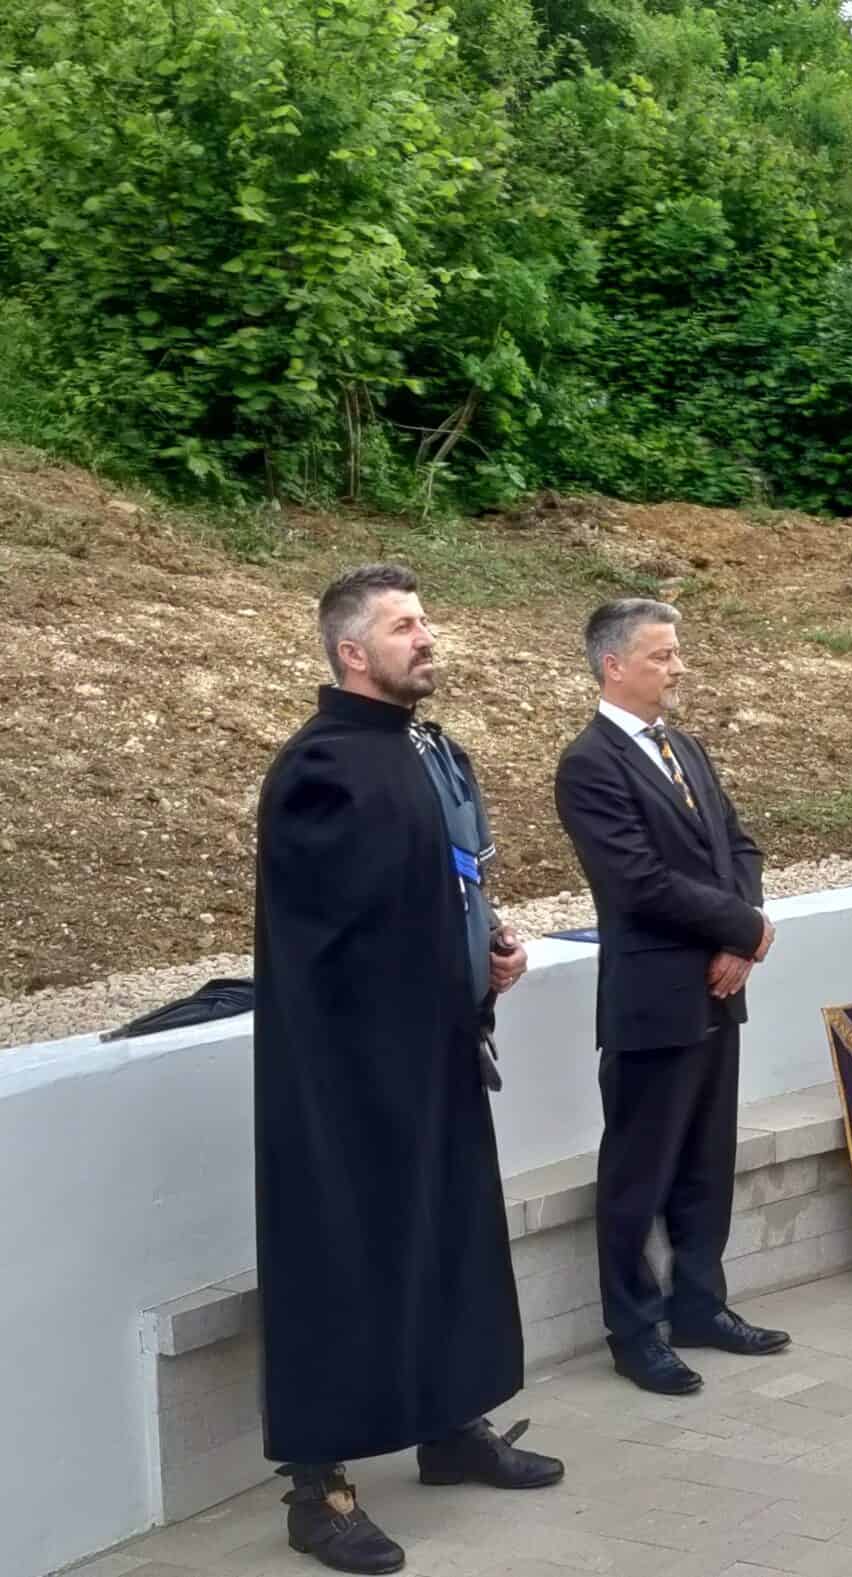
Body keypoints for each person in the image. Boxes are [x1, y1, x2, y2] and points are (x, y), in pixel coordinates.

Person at [254, 564, 562, 1575]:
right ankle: (319, 1489)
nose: (427, 637)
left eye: (426, 619)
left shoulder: (429, 748)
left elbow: (453, 880)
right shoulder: (320, 768)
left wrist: (492, 951)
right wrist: (440, 961)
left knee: (452, 1238)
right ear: (352, 651)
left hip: (435, 1050)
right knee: (339, 1258)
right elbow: (331, 932)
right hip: (347, 1078)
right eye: (404, 625)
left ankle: (449, 1427)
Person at [554, 598, 789, 1397]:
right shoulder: (589, 763)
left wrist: (740, 934)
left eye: (677, 652)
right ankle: (633, 1330)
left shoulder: (682, 747)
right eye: (662, 655)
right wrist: (742, 927)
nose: (678, 666)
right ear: (613, 665)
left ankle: (700, 1303)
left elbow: (739, 844)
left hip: (718, 987)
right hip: (654, 996)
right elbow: (637, 881)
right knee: (639, 1171)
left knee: (705, 1162)